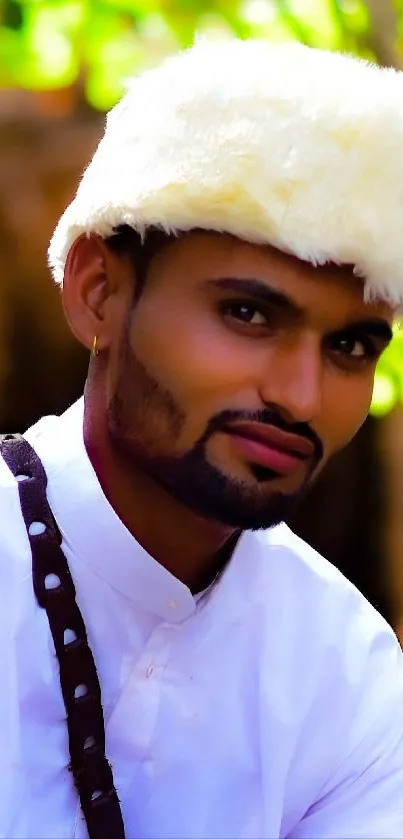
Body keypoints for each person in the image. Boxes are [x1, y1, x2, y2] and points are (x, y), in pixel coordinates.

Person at [1, 38, 403, 839]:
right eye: (248, 314)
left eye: (350, 346)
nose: (299, 395)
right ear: (98, 293)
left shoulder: (346, 673)